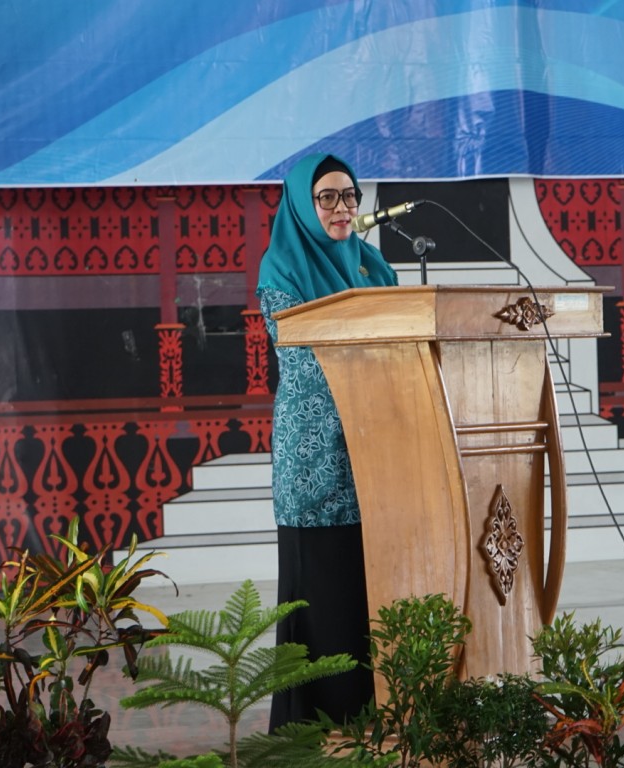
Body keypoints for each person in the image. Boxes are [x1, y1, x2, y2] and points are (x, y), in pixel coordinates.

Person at [255, 152, 399, 730]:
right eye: (327, 197)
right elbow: (305, 360)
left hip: (377, 448)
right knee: (320, 591)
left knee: (367, 589)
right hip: (315, 454)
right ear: (301, 204)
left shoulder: (373, 265)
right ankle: (309, 732)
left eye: (349, 195)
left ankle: (370, 722)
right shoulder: (282, 268)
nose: (343, 208)